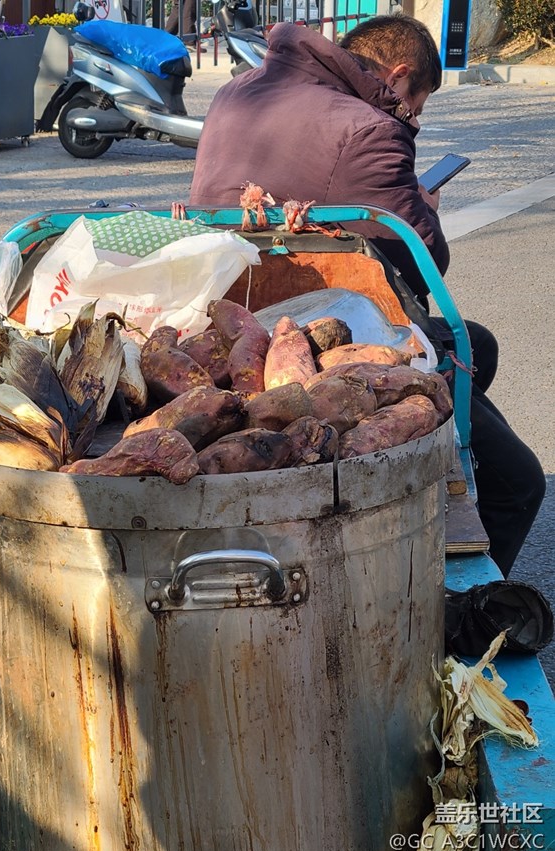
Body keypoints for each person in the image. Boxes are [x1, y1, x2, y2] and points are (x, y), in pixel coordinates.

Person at [189, 15, 545, 577]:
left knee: (478, 345)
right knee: (520, 482)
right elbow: (418, 262)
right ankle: (453, 612)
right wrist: (424, 207)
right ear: (399, 74)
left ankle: (437, 468)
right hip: (325, 327)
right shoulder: (369, 127)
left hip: (239, 307)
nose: (411, 115)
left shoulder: (238, 92)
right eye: (415, 102)